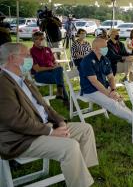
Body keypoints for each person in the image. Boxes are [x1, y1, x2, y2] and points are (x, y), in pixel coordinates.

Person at [0, 42, 98, 187]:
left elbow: (45, 107)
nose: (30, 58)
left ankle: (82, 174)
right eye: (26, 55)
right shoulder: (3, 84)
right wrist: (51, 131)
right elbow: (15, 120)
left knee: (86, 130)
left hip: (43, 128)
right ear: (12, 58)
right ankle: (80, 183)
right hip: (21, 139)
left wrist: (61, 122)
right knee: (69, 147)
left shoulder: (23, 80)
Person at [79, 38, 133, 126]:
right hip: (90, 90)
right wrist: (108, 94)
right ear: (94, 49)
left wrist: (113, 90)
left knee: (119, 99)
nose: (106, 48)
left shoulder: (105, 59)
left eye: (106, 46)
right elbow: (94, 82)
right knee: (112, 102)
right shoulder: (87, 61)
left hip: (104, 87)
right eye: (103, 47)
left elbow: (111, 77)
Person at [30, 31, 69, 106]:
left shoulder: (47, 49)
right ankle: (65, 99)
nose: (42, 41)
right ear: (34, 41)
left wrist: (56, 66)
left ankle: (61, 94)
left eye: (43, 39)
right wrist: (51, 67)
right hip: (40, 75)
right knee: (59, 79)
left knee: (59, 69)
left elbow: (54, 62)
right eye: (39, 39)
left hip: (52, 72)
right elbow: (37, 69)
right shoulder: (32, 52)